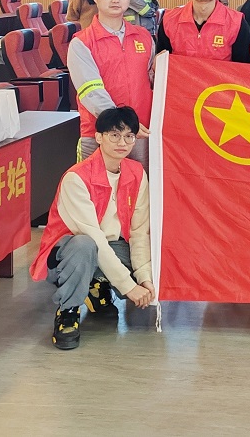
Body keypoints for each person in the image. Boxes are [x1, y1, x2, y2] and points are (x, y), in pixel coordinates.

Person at [29, 106, 155, 350]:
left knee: (146, 257)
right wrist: (129, 287)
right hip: (68, 253)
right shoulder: (76, 178)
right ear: (98, 137)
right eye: (114, 135)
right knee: (85, 245)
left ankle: (96, 286)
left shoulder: (136, 173)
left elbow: (139, 232)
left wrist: (144, 278)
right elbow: (94, 237)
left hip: (112, 247)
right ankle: (68, 311)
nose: (122, 142)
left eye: (129, 136)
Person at [67, 0, 153, 167]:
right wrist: (124, 125)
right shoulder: (82, 43)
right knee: (99, 185)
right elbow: (91, 92)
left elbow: (151, 80)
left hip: (140, 132)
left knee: (140, 184)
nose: (116, 0)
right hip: (100, 133)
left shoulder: (144, 37)